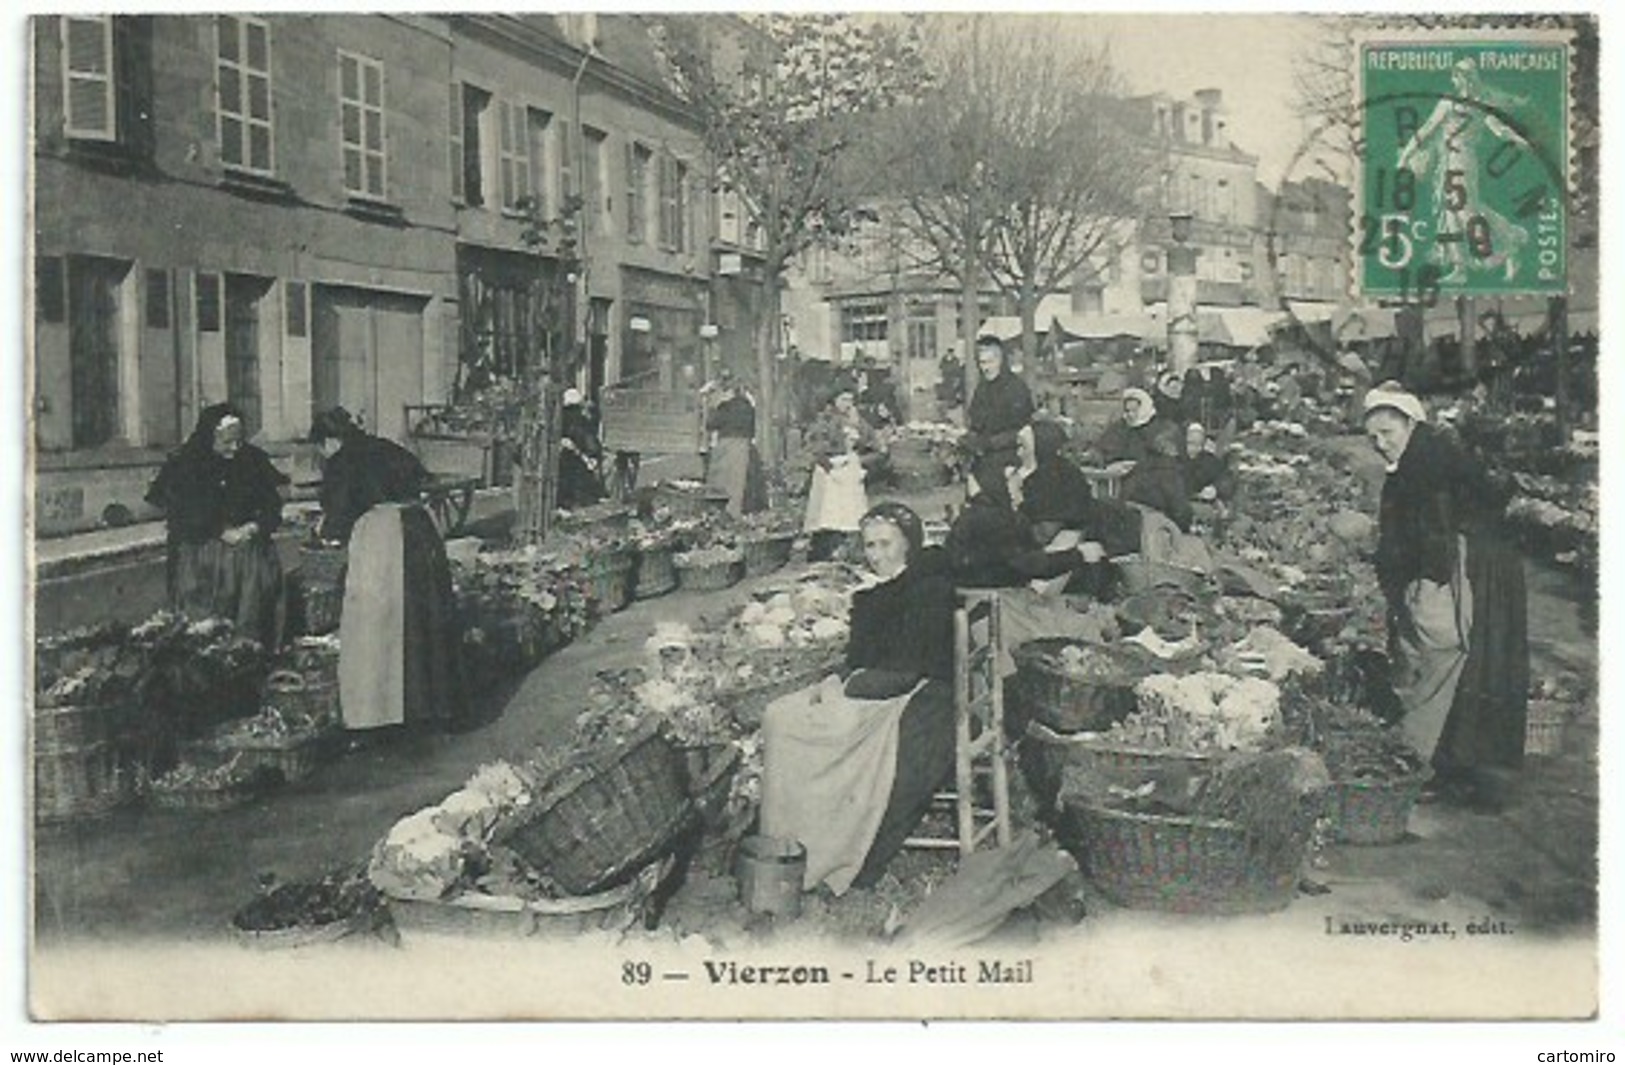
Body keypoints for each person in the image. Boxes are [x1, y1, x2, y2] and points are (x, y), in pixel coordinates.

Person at [760, 503, 958, 895]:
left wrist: (848, 688)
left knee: (789, 725)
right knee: (778, 713)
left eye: (886, 544)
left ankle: (818, 847)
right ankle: (790, 840)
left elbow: (911, 667)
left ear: (909, 545)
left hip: (913, 696)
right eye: (870, 546)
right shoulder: (876, 595)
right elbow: (864, 660)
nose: (877, 555)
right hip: (880, 688)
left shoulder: (928, 589)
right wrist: (844, 680)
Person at [1363, 382, 1528, 811]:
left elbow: (1431, 533)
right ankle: (1449, 764)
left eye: (1388, 433)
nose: (1380, 444)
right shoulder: (1421, 456)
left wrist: (1416, 583)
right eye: (1374, 437)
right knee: (1463, 662)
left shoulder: (1428, 463)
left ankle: (1421, 763)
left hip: (1464, 568)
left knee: (1445, 655)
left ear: (1410, 424)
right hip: (1463, 565)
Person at [310, 407, 464, 733]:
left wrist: (325, 532)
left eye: (321, 449)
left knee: (379, 623)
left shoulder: (343, 461)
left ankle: (381, 711)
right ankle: (432, 705)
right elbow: (420, 478)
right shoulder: (385, 446)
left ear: (329, 441)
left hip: (385, 539)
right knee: (423, 618)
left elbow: (338, 513)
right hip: (421, 530)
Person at [146, 403, 287, 648]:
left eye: (239, 441)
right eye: (226, 442)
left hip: (248, 555)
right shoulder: (187, 464)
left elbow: (272, 505)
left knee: (248, 619)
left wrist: (255, 527)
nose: (234, 448)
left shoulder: (252, 460)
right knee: (203, 625)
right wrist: (219, 531)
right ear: (209, 437)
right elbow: (178, 511)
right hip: (202, 555)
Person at [801, 388, 873, 561]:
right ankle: (824, 550)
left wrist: (860, 459)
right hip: (830, 470)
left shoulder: (856, 420)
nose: (847, 404)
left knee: (850, 513)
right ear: (834, 400)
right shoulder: (824, 420)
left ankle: (848, 549)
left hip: (849, 470)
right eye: (843, 399)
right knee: (829, 513)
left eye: (850, 400)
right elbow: (815, 446)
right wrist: (830, 466)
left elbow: (872, 442)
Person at [963, 335, 1034, 490]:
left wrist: (991, 442)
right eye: (982, 363)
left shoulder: (1016, 388)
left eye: (990, 362)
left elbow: (1023, 431)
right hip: (984, 460)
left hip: (1010, 461)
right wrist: (969, 439)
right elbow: (975, 420)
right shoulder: (982, 388)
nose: (985, 368)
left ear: (1001, 361)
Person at [703, 374, 767, 517]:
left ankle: (726, 514)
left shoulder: (724, 408)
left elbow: (710, 424)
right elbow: (752, 428)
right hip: (745, 446)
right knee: (741, 484)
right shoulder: (748, 406)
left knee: (725, 483)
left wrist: (713, 408)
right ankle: (741, 512)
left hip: (727, 446)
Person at [1121, 423, 1193, 533]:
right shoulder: (1169, 469)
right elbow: (1179, 509)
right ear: (1173, 447)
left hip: (1127, 524)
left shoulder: (1140, 465)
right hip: (1153, 528)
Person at [557, 388, 606, 510]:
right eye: (569, 410)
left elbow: (590, 441)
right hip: (568, 459)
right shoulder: (565, 423)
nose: (571, 413)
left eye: (574, 409)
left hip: (579, 459)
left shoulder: (581, 422)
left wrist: (591, 456)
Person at [1092, 387, 1160, 467]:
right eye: (1128, 410)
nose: (1130, 415)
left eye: (1134, 411)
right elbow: (1103, 448)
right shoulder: (1119, 427)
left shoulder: (1155, 428)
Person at [1182, 422, 1234, 503]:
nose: (1196, 448)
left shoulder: (1210, 461)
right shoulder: (1172, 460)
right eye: (1191, 443)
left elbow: (1226, 480)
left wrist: (1215, 489)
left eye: (1200, 444)